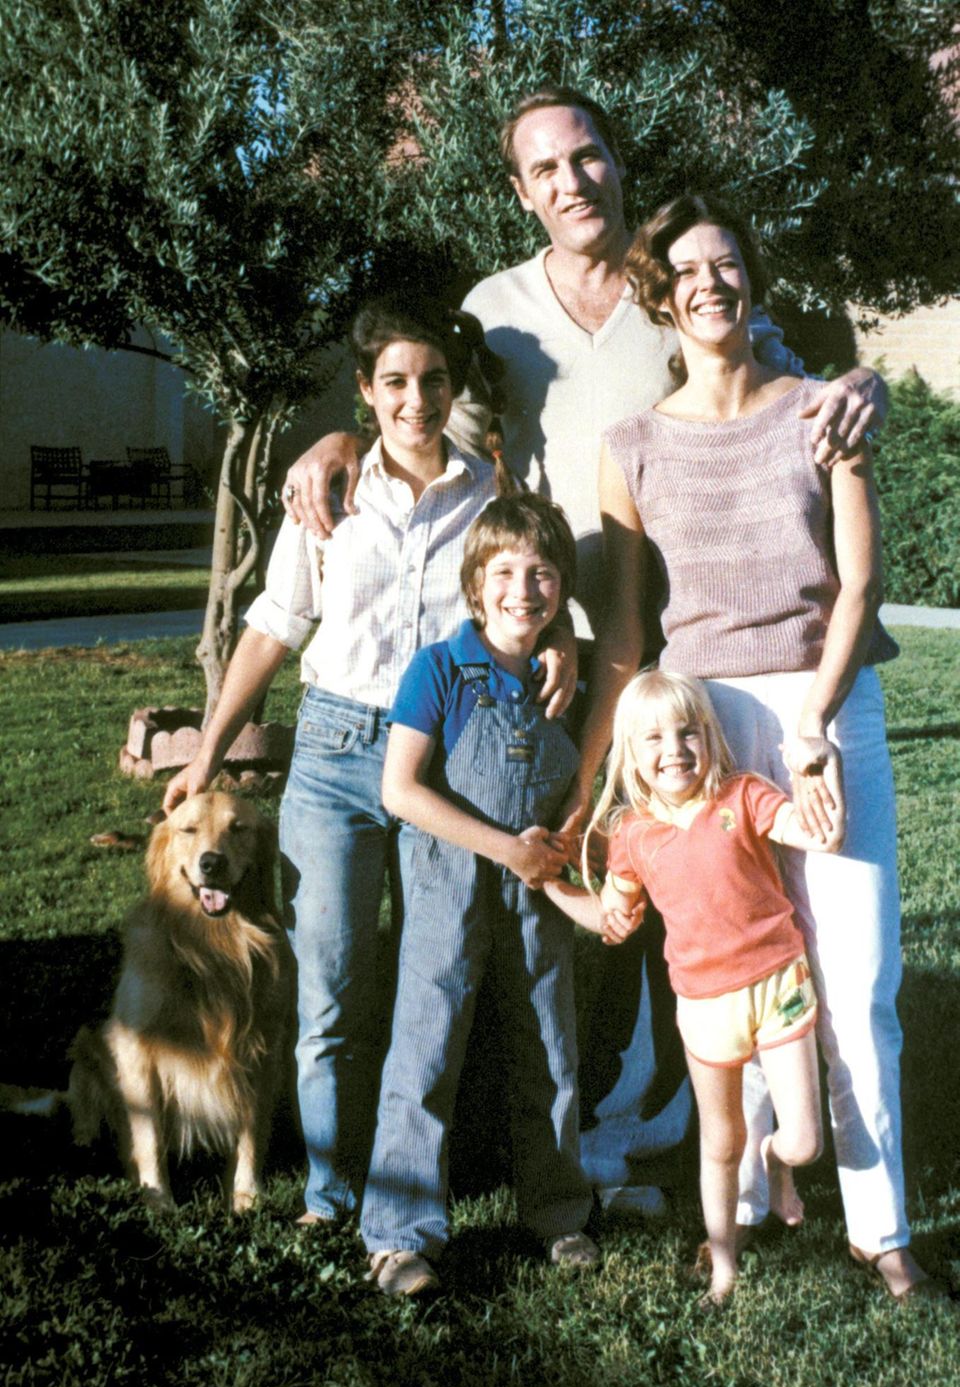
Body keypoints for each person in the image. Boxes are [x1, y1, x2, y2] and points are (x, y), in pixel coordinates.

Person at [281, 87, 888, 1215]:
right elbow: (429, 436)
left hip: (703, 622)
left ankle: (691, 1092)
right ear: (521, 191)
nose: (571, 182)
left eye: (587, 158)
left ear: (617, 161)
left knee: (727, 857)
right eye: (545, 170)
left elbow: (800, 383)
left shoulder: (675, 281)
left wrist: (871, 384)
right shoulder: (495, 311)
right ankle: (604, 1096)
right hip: (566, 638)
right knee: (590, 863)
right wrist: (334, 437)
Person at [570, 191, 940, 1301]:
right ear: (659, 294)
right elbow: (631, 632)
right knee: (733, 961)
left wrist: (818, 719)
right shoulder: (628, 448)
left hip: (826, 706)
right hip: (701, 725)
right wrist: (598, 777)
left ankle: (884, 1231)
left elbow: (863, 580)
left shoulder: (824, 410)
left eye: (727, 264)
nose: (711, 284)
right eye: (687, 271)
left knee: (858, 970)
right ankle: (734, 1203)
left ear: (752, 278)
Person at [161, 293, 570, 1227]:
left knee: (440, 984)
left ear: (452, 388)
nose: (416, 401)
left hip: (450, 760)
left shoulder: (490, 498)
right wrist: (210, 748)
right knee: (331, 991)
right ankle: (331, 1191)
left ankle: (420, 1180)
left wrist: (567, 643)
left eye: (432, 381)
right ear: (366, 390)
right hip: (337, 755)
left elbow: (521, 597)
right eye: (395, 382)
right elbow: (274, 625)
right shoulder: (329, 492)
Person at [361, 493, 597, 1297]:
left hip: (541, 893)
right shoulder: (439, 668)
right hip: (447, 883)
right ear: (473, 586)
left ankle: (561, 1214)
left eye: (541, 573)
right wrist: (507, 850)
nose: (522, 590)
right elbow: (400, 790)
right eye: (503, 573)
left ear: (562, 588)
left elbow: (586, 778)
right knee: (425, 1049)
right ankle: (398, 1236)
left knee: (550, 1051)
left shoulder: (567, 677)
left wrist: (555, 859)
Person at [548, 670, 842, 1306]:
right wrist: (549, 883)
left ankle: (779, 1164)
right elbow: (612, 921)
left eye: (688, 732)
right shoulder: (634, 837)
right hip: (706, 1006)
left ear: (709, 736)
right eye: (653, 737)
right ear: (630, 754)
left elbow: (818, 832)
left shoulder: (744, 797)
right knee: (720, 1140)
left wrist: (820, 772)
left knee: (804, 1139)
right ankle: (723, 1267)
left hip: (777, 983)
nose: (674, 749)